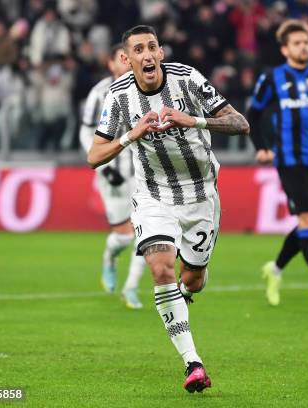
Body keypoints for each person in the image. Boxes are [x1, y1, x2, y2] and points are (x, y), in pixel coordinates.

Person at [87, 25, 249, 393]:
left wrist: (194, 120)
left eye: (152, 47)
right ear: (126, 60)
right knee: (160, 266)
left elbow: (241, 123)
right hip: (153, 196)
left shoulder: (188, 79)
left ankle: (182, 294)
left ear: (160, 53)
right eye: (138, 50)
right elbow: (94, 156)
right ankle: (193, 363)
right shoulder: (118, 97)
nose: (147, 55)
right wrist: (132, 135)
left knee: (192, 279)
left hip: (201, 196)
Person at [246, 19, 308, 307]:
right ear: (285, 49)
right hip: (288, 160)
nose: (304, 47)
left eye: (306, 42)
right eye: (297, 43)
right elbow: (254, 113)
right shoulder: (272, 78)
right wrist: (262, 147)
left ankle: (274, 269)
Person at [79, 44, 146, 309]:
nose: (127, 62)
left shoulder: (146, 87)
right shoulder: (99, 93)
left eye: (129, 58)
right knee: (124, 236)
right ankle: (110, 258)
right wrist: (103, 166)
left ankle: (131, 288)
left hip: (143, 171)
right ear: (111, 63)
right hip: (113, 172)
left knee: (147, 232)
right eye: (122, 59)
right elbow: (85, 132)